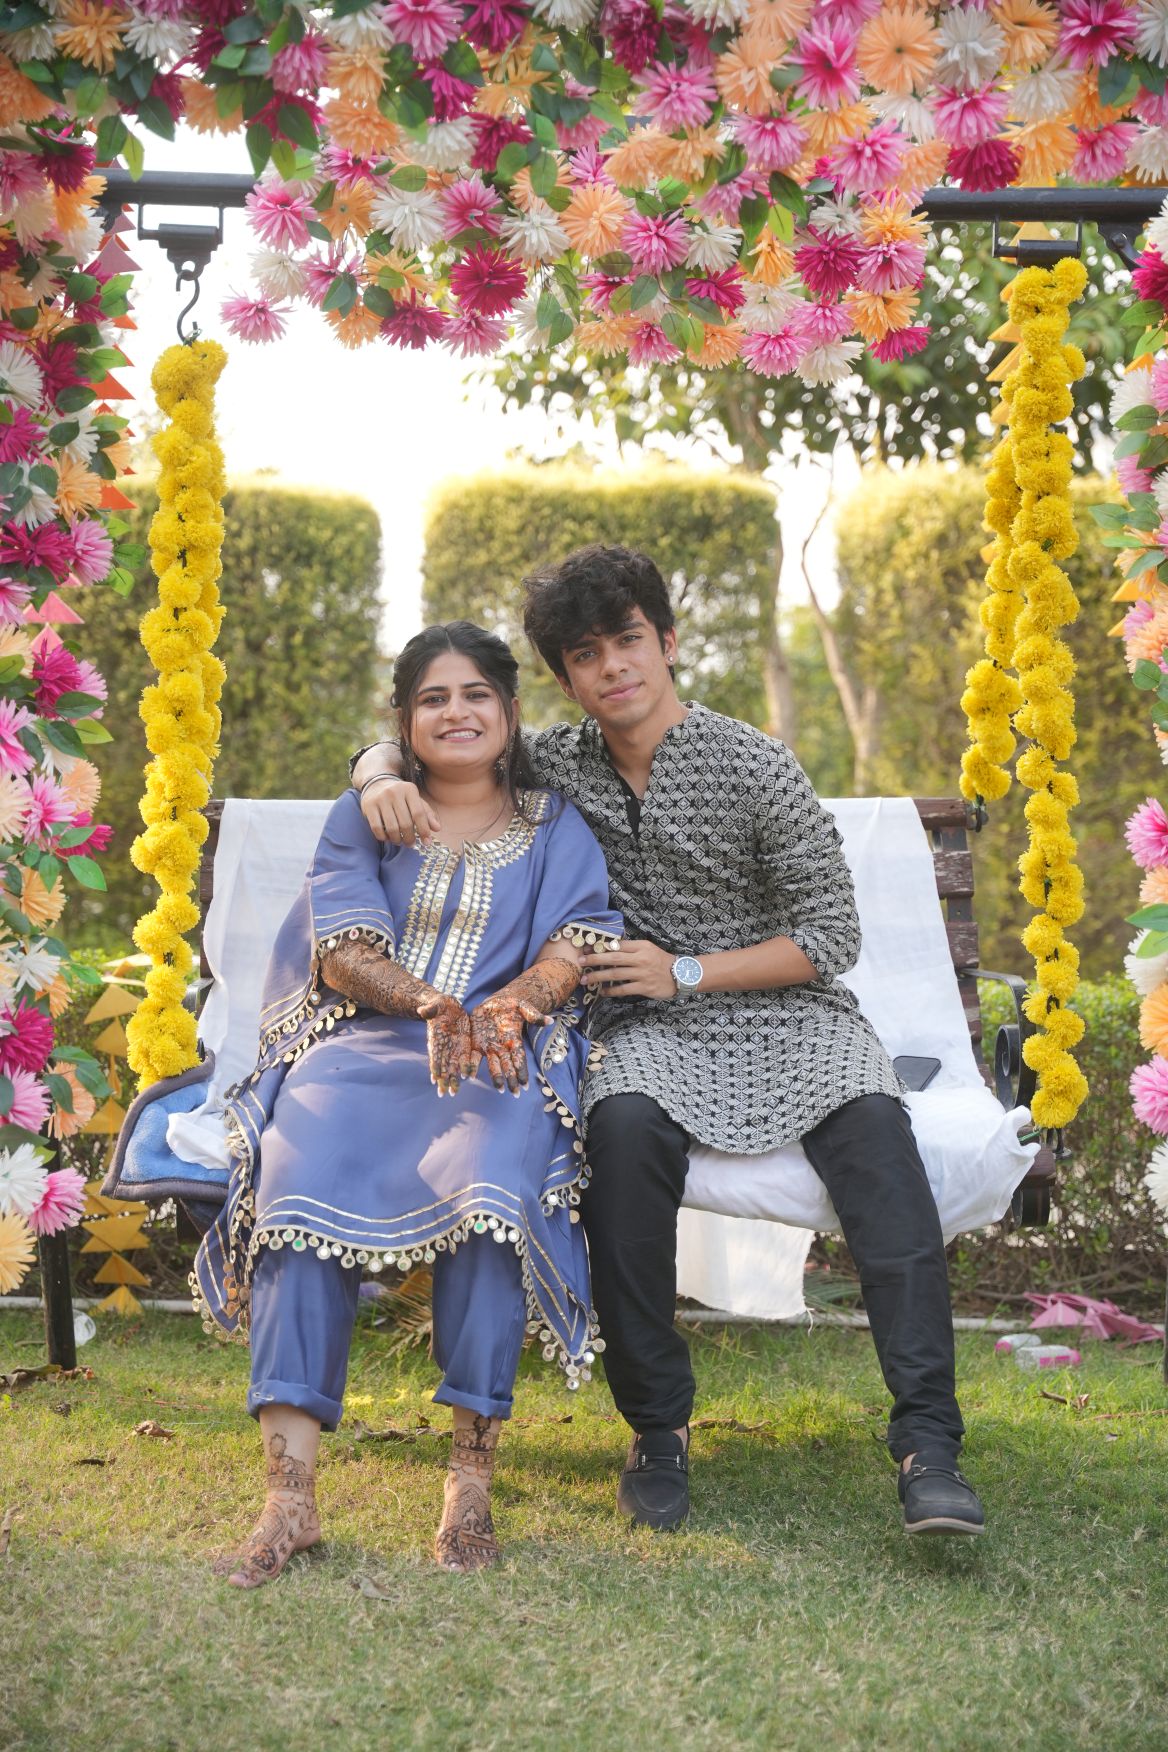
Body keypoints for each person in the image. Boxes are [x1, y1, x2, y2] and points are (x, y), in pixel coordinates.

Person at [350, 546, 986, 1540]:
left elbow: (830, 937)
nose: (612, 667)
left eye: (628, 641)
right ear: (566, 679)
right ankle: (657, 1428)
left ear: (668, 643)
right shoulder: (557, 764)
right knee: (622, 1138)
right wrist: (375, 768)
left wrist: (685, 968)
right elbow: (449, 737)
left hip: (793, 1016)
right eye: (585, 655)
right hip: (644, 1029)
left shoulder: (755, 763)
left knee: (877, 1139)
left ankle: (928, 1446)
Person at [194, 621, 621, 1585]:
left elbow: (576, 940)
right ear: (403, 719)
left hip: (499, 1054)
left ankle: (470, 1482)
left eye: (476, 695)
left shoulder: (555, 825)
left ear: (511, 713)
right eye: (433, 698)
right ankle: (289, 1497)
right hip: (362, 1048)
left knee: (491, 1193)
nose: (456, 713)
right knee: (297, 1181)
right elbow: (341, 948)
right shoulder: (370, 814)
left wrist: (514, 1004)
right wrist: (427, 1003)